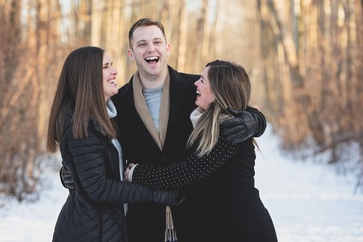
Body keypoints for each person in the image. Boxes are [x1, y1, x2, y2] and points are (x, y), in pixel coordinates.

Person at [61, 18, 267, 241]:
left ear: (167, 48)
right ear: (131, 54)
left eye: (157, 42)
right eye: (142, 44)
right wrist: (69, 173)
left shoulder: (197, 89)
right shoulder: (116, 103)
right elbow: (92, 147)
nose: (151, 48)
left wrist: (256, 121)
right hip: (143, 223)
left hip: (199, 219)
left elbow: (235, 105)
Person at [125, 60, 278, 242]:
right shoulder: (207, 123)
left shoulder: (229, 130)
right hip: (218, 224)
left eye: (203, 81)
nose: (196, 83)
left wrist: (137, 173)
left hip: (242, 227)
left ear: (218, 91)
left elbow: (185, 173)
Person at [47, 46, 186, 242]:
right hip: (89, 231)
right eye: (105, 67)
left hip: (108, 225)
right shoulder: (82, 126)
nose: (115, 71)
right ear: (88, 77)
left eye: (111, 65)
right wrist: (157, 195)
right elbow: (99, 187)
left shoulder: (108, 116)